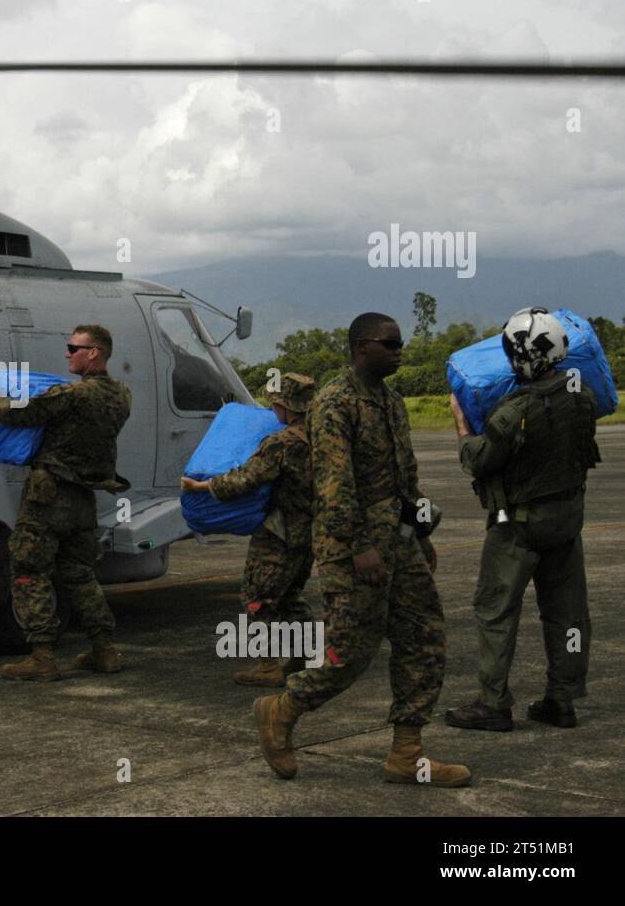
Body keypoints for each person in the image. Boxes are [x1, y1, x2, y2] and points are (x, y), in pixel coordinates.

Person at [254, 313, 472, 787]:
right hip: (351, 548)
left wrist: (421, 533)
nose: (399, 351)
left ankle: (406, 753)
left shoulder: (391, 400)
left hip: (399, 542)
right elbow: (334, 484)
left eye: (400, 343)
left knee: (424, 638)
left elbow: (405, 477)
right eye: (389, 343)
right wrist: (357, 546)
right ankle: (281, 709)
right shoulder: (335, 401)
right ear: (360, 347)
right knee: (350, 651)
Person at [445, 307, 600, 731]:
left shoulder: (514, 411)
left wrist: (461, 427)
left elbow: (479, 460)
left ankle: (494, 703)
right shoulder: (583, 395)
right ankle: (562, 699)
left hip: (518, 527)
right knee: (568, 614)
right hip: (567, 523)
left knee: (495, 611)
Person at [0, 324, 132, 681]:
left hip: (49, 496)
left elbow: (18, 412)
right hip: (85, 497)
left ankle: (42, 656)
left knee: (27, 569)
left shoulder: (73, 395)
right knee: (79, 574)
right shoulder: (121, 396)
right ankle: (104, 650)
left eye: (73, 348)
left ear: (94, 352)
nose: (67, 354)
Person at [182, 373, 317, 686]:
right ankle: (303, 657)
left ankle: (268, 665)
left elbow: (245, 479)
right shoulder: (324, 438)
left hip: (279, 531)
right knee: (290, 596)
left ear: (284, 405)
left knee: (257, 596)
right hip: (310, 533)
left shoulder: (281, 442)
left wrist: (202, 486)